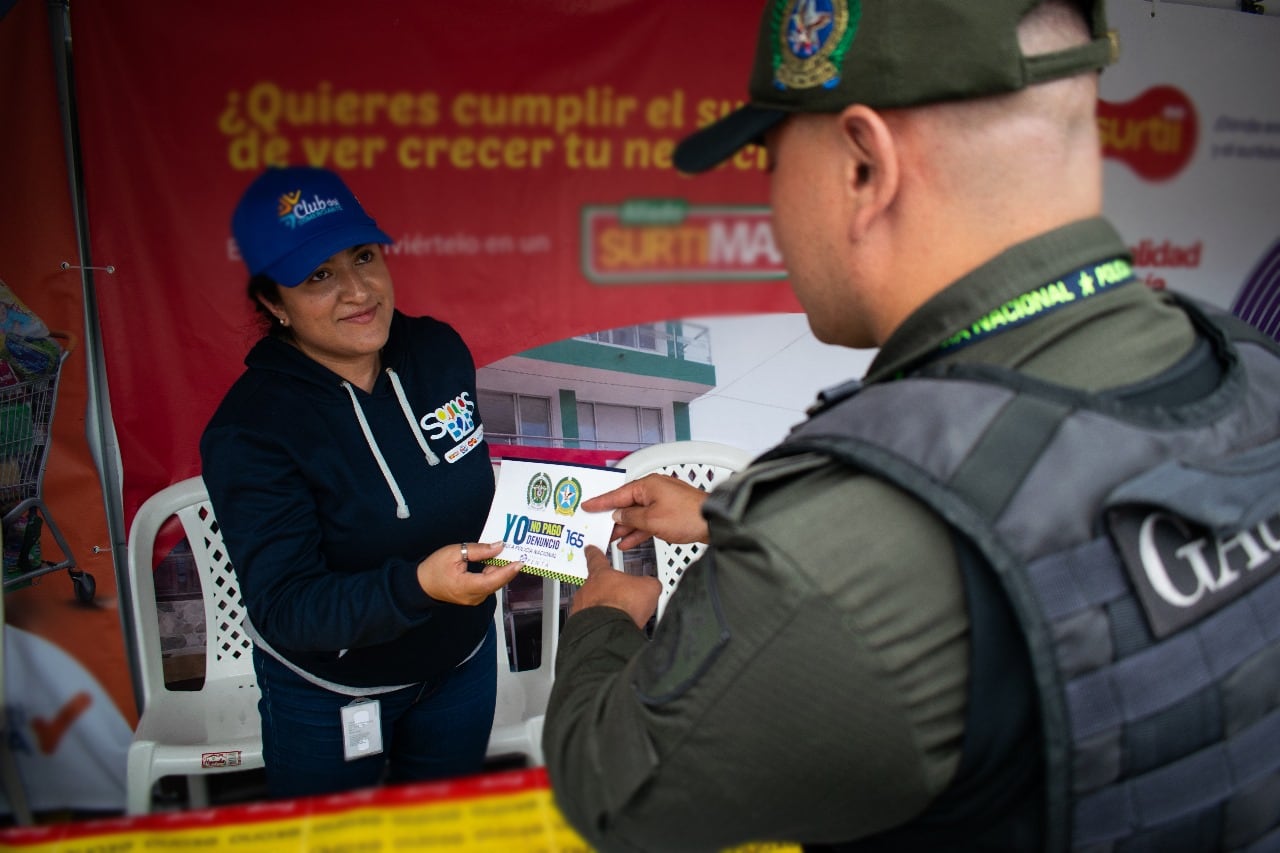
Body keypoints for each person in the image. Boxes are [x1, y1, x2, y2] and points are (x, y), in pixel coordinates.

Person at [542, 1, 1280, 851]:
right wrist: (727, 513)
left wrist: (603, 616)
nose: (771, 207)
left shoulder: (824, 566)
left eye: (772, 160)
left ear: (863, 167)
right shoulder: (1246, 369)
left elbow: (614, 787)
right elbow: (1069, 501)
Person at [200, 165, 521, 799]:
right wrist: (418, 586)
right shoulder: (251, 429)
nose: (358, 290)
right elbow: (287, 606)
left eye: (365, 257)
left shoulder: (438, 352)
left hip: (461, 662)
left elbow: (458, 484)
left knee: (440, 836)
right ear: (272, 303)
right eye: (319, 275)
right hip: (331, 695)